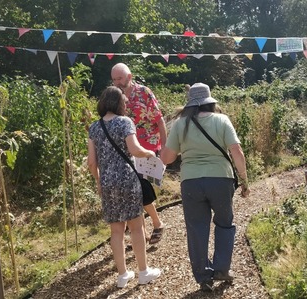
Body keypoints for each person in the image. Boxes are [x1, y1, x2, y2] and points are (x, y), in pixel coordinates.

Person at [160, 82, 250, 292]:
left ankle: (203, 277)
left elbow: (167, 157)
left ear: (190, 103)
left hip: (191, 182)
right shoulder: (222, 120)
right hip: (221, 180)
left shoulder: (181, 124)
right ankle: (221, 269)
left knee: (197, 228)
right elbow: (237, 151)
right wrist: (245, 180)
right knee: (225, 224)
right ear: (210, 101)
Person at [87, 86, 162, 288]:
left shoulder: (94, 128)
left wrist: (98, 181)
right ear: (118, 103)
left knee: (116, 231)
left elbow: (91, 162)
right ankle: (144, 272)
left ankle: (122, 276)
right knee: (136, 228)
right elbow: (134, 150)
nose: (126, 103)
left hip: (107, 183)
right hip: (127, 180)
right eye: (124, 101)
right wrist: (150, 154)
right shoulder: (125, 122)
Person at [111, 63, 166, 244]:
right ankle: (143, 232)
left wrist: (164, 147)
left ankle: (156, 224)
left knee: (140, 187)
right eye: (114, 79)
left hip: (146, 148)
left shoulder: (144, 92)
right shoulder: (114, 97)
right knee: (135, 191)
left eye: (119, 78)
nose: (117, 82)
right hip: (125, 150)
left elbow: (159, 120)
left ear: (129, 76)